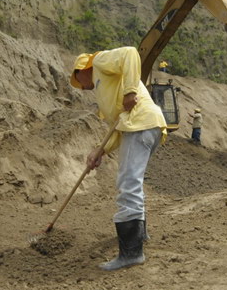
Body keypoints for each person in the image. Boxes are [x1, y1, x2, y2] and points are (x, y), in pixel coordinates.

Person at [70, 46, 167, 271]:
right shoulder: (106, 88)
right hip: (146, 126)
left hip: (142, 124)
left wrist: (131, 91)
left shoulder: (101, 62)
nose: (83, 88)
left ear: (81, 69)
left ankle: (131, 253)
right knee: (133, 182)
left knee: (128, 184)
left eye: (79, 82)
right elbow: (118, 128)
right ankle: (139, 236)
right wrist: (100, 151)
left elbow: (131, 53)